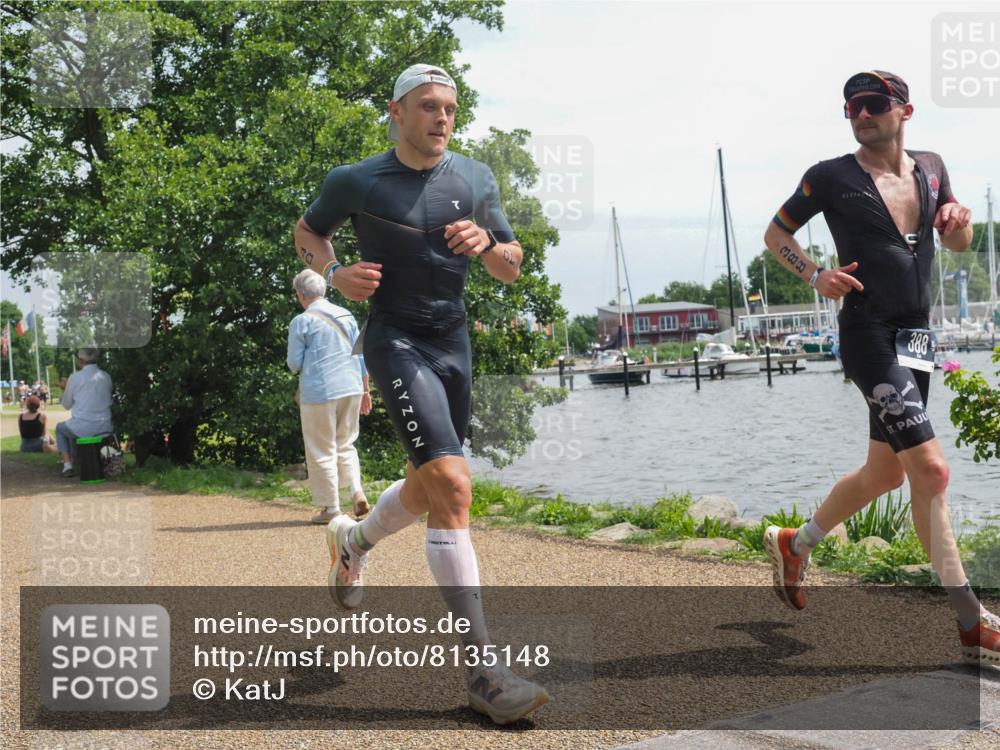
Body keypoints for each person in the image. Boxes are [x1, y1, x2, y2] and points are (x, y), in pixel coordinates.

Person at [294, 63, 549, 724]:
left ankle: (351, 543)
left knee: (429, 483)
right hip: (396, 339)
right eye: (429, 107)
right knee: (455, 487)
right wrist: (334, 271)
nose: (443, 119)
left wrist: (489, 243)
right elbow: (307, 233)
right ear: (396, 111)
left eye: (451, 109)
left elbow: (512, 267)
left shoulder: (476, 179)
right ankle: (484, 673)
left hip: (454, 341)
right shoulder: (356, 179)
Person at [762, 70, 999, 665]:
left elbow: (960, 244)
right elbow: (777, 232)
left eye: (872, 103)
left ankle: (798, 543)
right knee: (934, 471)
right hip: (868, 333)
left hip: (916, 333)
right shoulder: (830, 177)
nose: (860, 113)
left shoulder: (933, 166)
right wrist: (816, 275)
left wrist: (961, 222)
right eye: (850, 106)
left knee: (888, 473)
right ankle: (972, 620)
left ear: (905, 110)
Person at [287, 268, 372, 524]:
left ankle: (331, 509)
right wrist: (366, 390)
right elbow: (361, 355)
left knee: (321, 448)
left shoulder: (302, 321)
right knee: (346, 444)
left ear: (302, 295)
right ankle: (356, 490)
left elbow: (294, 363)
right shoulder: (346, 315)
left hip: (320, 391)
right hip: (352, 387)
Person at [56, 347, 113, 477]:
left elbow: (66, 405)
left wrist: (65, 389)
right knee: (73, 428)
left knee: (61, 428)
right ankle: (78, 460)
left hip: (84, 426)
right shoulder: (106, 376)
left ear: (81, 360)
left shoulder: (75, 377)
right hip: (105, 425)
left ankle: (68, 465)